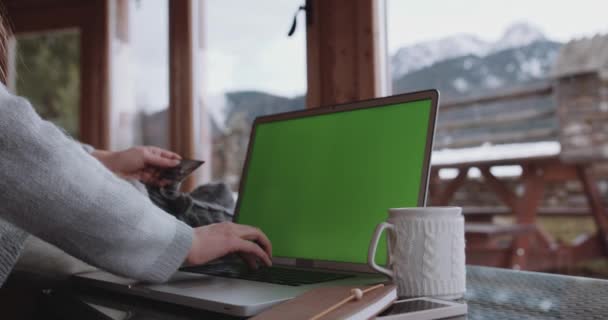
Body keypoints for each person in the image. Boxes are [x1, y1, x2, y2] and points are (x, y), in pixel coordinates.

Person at [0, 15, 272, 286]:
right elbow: (29, 155)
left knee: (219, 203)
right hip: (156, 218)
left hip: (145, 205)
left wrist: (106, 161)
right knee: (242, 228)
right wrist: (188, 243)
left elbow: (24, 152)